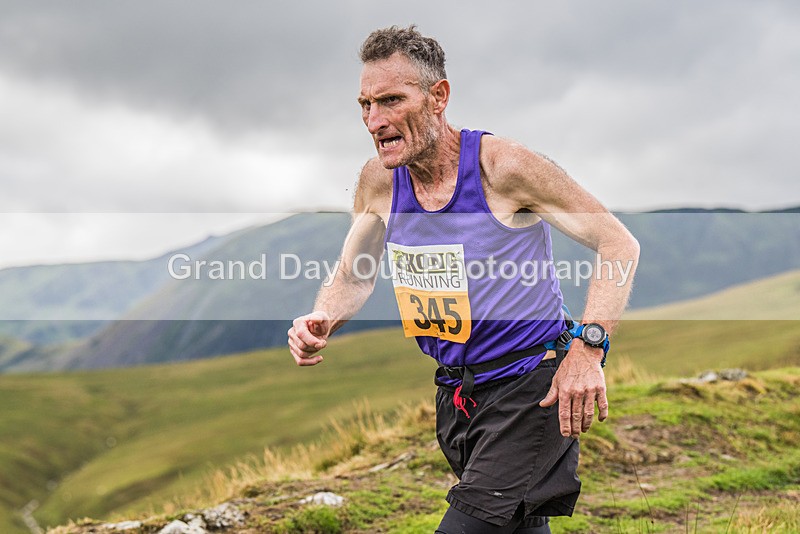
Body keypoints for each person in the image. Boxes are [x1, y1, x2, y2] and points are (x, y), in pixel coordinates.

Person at [288, 25, 639, 534]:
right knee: (515, 526)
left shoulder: (504, 167)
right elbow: (354, 271)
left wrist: (589, 348)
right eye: (364, 104)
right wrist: (323, 315)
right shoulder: (379, 180)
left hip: (531, 384)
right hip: (457, 396)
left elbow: (618, 244)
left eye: (390, 100)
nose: (374, 120)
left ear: (438, 96)